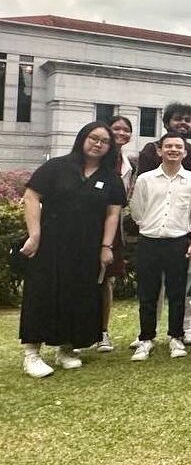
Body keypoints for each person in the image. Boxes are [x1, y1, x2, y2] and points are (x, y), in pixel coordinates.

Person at [19, 122, 127, 378]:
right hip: (51, 242)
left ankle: (66, 349)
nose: (98, 143)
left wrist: (106, 246)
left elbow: (113, 214)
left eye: (104, 141)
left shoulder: (110, 178)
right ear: (82, 138)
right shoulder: (56, 167)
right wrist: (35, 234)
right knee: (42, 292)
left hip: (87, 246)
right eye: (93, 138)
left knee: (78, 295)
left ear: (110, 147)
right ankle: (32, 353)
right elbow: (32, 196)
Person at [129, 132, 191, 361]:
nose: (173, 150)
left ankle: (176, 337)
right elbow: (137, 211)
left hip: (178, 242)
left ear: (185, 151)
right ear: (159, 151)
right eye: (168, 146)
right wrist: (150, 228)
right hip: (149, 241)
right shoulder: (145, 179)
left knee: (177, 293)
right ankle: (146, 338)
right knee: (148, 293)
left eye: (178, 147)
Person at [96, 115, 136, 353]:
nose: (121, 133)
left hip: (114, 226)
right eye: (116, 128)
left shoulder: (129, 163)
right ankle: (78, 330)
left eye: (126, 129)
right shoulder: (96, 158)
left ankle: (102, 331)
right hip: (88, 225)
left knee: (106, 279)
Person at [136, 102, 191, 174]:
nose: (183, 122)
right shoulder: (151, 149)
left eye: (187, 120)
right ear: (166, 124)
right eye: (178, 119)